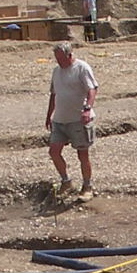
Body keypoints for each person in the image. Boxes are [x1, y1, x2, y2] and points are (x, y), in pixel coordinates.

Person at [45, 42, 98, 196]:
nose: (59, 62)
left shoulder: (82, 68)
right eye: (57, 59)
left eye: (61, 59)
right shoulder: (56, 71)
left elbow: (92, 89)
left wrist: (87, 108)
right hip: (60, 119)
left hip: (78, 119)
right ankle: (66, 181)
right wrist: (49, 115)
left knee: (82, 154)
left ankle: (87, 186)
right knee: (54, 152)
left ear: (70, 55)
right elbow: (54, 94)